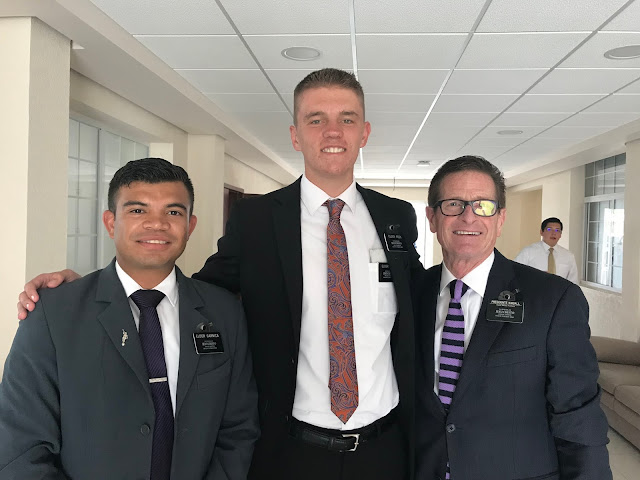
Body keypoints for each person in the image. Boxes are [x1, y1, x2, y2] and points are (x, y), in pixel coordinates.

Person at [17, 69, 423, 480]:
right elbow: (189, 293)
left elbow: (419, 296)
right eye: (316, 119)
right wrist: (89, 292)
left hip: (384, 447)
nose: (332, 131)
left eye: (347, 119)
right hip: (289, 450)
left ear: (364, 132)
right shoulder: (257, 219)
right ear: (295, 135)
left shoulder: (395, 216)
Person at [1, 158, 259, 479]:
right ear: (111, 223)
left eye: (173, 212)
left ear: (190, 226)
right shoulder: (53, 314)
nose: (157, 224)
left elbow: (238, 430)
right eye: (138, 210)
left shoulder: (224, 313)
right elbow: (21, 445)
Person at [413, 155, 611, 480]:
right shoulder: (412, 291)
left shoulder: (554, 299)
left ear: (500, 219)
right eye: (453, 204)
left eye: (483, 206)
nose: (468, 216)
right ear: (432, 218)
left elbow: (578, 414)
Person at [515, 217, 579, 284]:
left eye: (557, 230)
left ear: (560, 235)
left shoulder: (568, 256)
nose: (553, 233)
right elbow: (515, 274)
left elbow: (573, 283)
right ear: (541, 232)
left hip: (559, 290)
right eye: (549, 229)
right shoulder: (528, 252)